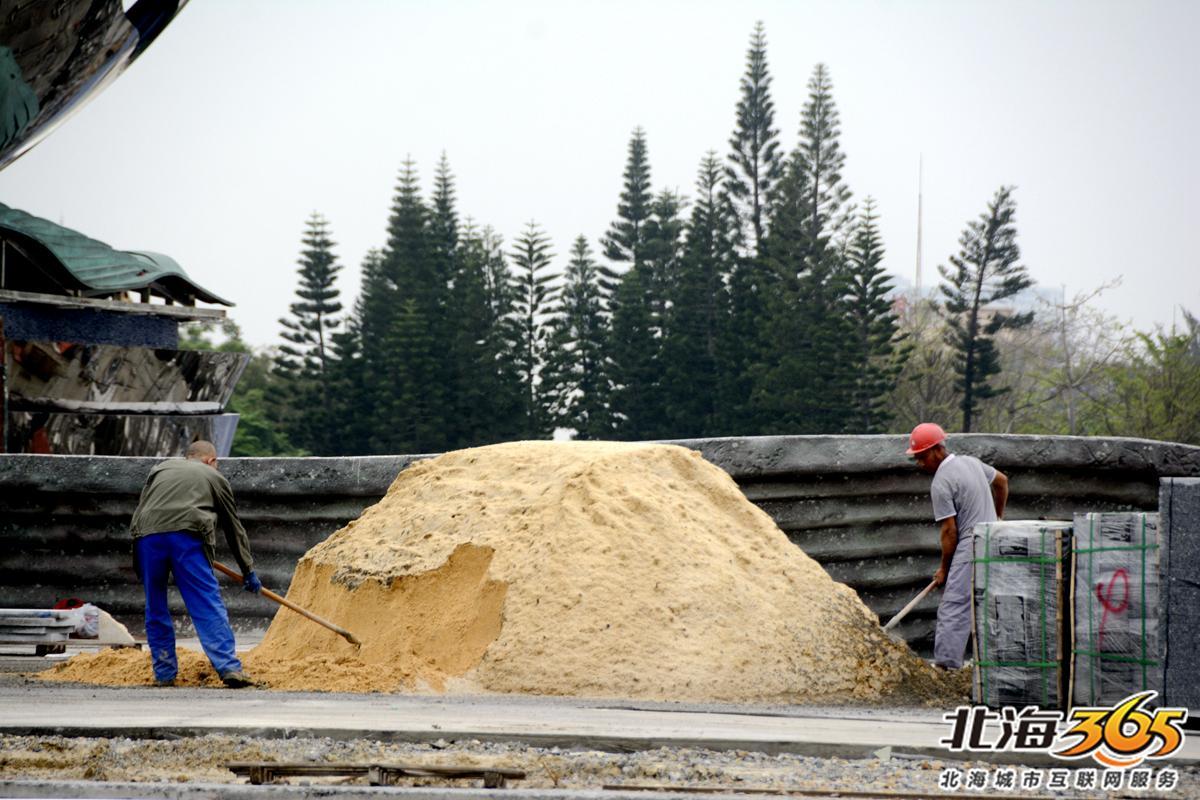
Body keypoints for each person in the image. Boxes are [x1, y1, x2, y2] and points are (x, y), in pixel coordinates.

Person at [130, 440, 262, 687]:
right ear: (211, 460)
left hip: (147, 538)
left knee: (155, 605)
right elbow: (234, 528)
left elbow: (141, 510)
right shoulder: (214, 477)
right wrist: (248, 570)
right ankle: (229, 668)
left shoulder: (160, 469)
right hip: (187, 537)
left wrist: (139, 557)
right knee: (205, 602)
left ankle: (164, 673)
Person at [906, 422, 1009, 670]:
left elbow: (950, 531)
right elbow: (1002, 481)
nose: (920, 464)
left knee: (954, 605)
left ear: (936, 450)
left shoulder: (941, 482)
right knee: (991, 604)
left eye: (921, 457)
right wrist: (998, 519)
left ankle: (946, 666)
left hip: (971, 544)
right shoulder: (971, 463)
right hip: (994, 540)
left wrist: (944, 568)